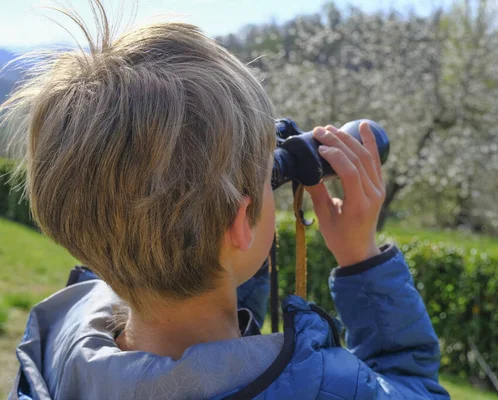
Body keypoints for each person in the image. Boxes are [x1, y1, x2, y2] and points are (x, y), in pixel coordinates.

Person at [4, 2, 449, 399]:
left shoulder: (57, 344)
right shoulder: (325, 387)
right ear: (240, 224)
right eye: (267, 174)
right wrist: (360, 261)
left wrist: (240, 198)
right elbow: (412, 384)